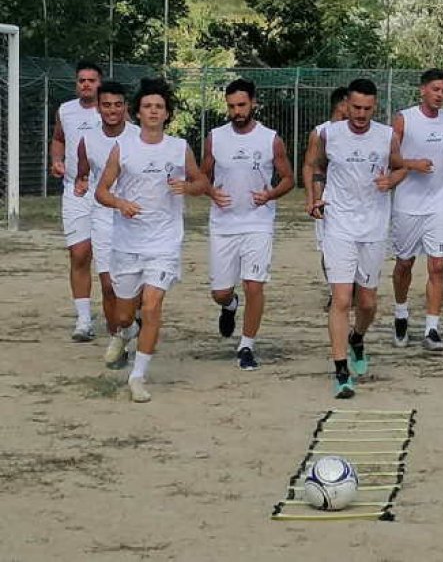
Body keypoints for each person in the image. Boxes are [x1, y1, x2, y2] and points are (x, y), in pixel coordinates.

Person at [96, 77, 209, 402]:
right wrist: (120, 203)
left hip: (164, 242)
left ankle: (138, 376)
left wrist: (188, 187)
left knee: (153, 305)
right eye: (148, 106)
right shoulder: (124, 148)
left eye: (159, 106)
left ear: (167, 113)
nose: (153, 111)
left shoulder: (179, 147)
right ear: (138, 112)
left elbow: (202, 182)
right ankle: (126, 332)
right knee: (123, 313)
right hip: (128, 242)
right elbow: (102, 191)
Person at [308, 78, 400, 398]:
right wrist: (315, 197)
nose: (361, 114)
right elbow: (318, 168)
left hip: (374, 226)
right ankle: (341, 371)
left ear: (375, 107)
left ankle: (357, 337)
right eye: (356, 107)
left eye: (367, 108)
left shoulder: (387, 136)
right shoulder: (329, 135)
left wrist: (392, 179)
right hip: (339, 224)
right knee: (342, 299)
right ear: (346, 105)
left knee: (367, 302)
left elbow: (401, 168)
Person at [201, 79, 295, 370]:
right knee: (220, 292)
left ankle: (246, 346)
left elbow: (289, 179)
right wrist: (210, 190)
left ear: (253, 103)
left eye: (241, 105)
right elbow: (202, 175)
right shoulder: (215, 137)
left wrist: (270, 194)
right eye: (231, 106)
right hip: (223, 224)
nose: (237, 111)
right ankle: (229, 305)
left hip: (257, 223)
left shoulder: (270, 139)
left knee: (254, 285)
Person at [389, 69, 443, 351]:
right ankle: (401, 313)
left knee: (438, 265)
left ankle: (432, 328)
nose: (440, 95)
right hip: (408, 202)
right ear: (423, 90)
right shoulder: (405, 119)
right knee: (405, 263)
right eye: (435, 89)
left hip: (440, 202)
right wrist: (412, 164)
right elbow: (390, 157)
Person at [74, 80, 140, 366]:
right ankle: (119, 342)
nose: (112, 111)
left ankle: (132, 321)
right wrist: (80, 182)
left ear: (125, 107)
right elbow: (83, 172)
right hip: (103, 217)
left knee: (135, 286)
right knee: (109, 285)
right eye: (106, 105)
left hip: (136, 220)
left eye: (117, 105)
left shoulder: (140, 136)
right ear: (98, 108)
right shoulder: (87, 141)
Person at [51, 61, 103, 341]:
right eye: (82, 80)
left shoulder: (111, 110)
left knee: (112, 258)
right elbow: (59, 139)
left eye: (91, 80)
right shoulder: (66, 110)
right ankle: (84, 319)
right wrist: (57, 160)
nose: (86, 84)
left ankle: (126, 313)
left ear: (100, 84)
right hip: (75, 191)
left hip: (106, 192)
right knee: (79, 254)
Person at [304, 86, 349, 277]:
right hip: (328, 197)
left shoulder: (361, 132)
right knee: (328, 246)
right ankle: (334, 290)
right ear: (342, 105)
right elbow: (309, 166)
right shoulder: (321, 132)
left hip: (353, 198)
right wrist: (312, 198)